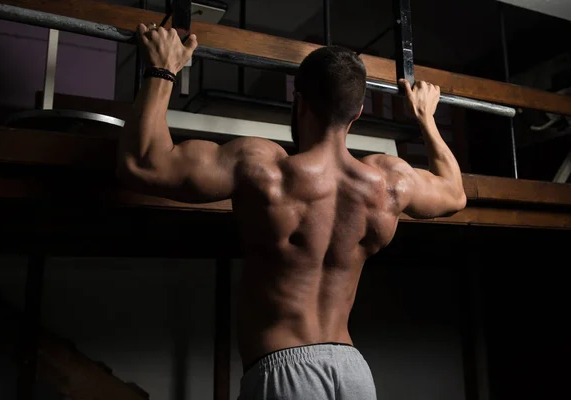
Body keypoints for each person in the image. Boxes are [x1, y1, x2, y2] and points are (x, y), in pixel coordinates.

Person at [118, 23, 467, 400]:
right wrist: (426, 118)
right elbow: (454, 193)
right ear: (358, 113)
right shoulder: (387, 183)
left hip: (285, 372)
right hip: (353, 372)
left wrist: (162, 69)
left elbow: (143, 164)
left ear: (298, 102)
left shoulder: (266, 170)